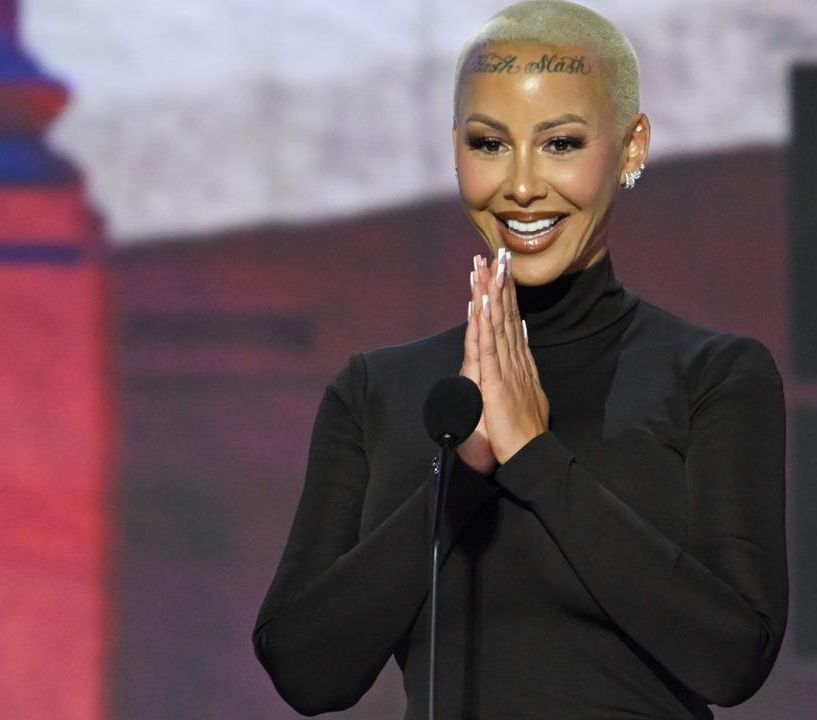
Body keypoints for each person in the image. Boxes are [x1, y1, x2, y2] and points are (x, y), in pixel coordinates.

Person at [252, 2, 787, 717]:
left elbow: (733, 657)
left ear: (632, 147)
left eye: (561, 143)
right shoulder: (377, 392)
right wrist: (463, 474)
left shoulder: (712, 377)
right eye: (489, 143)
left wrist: (534, 454)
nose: (525, 184)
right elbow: (305, 672)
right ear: (455, 150)